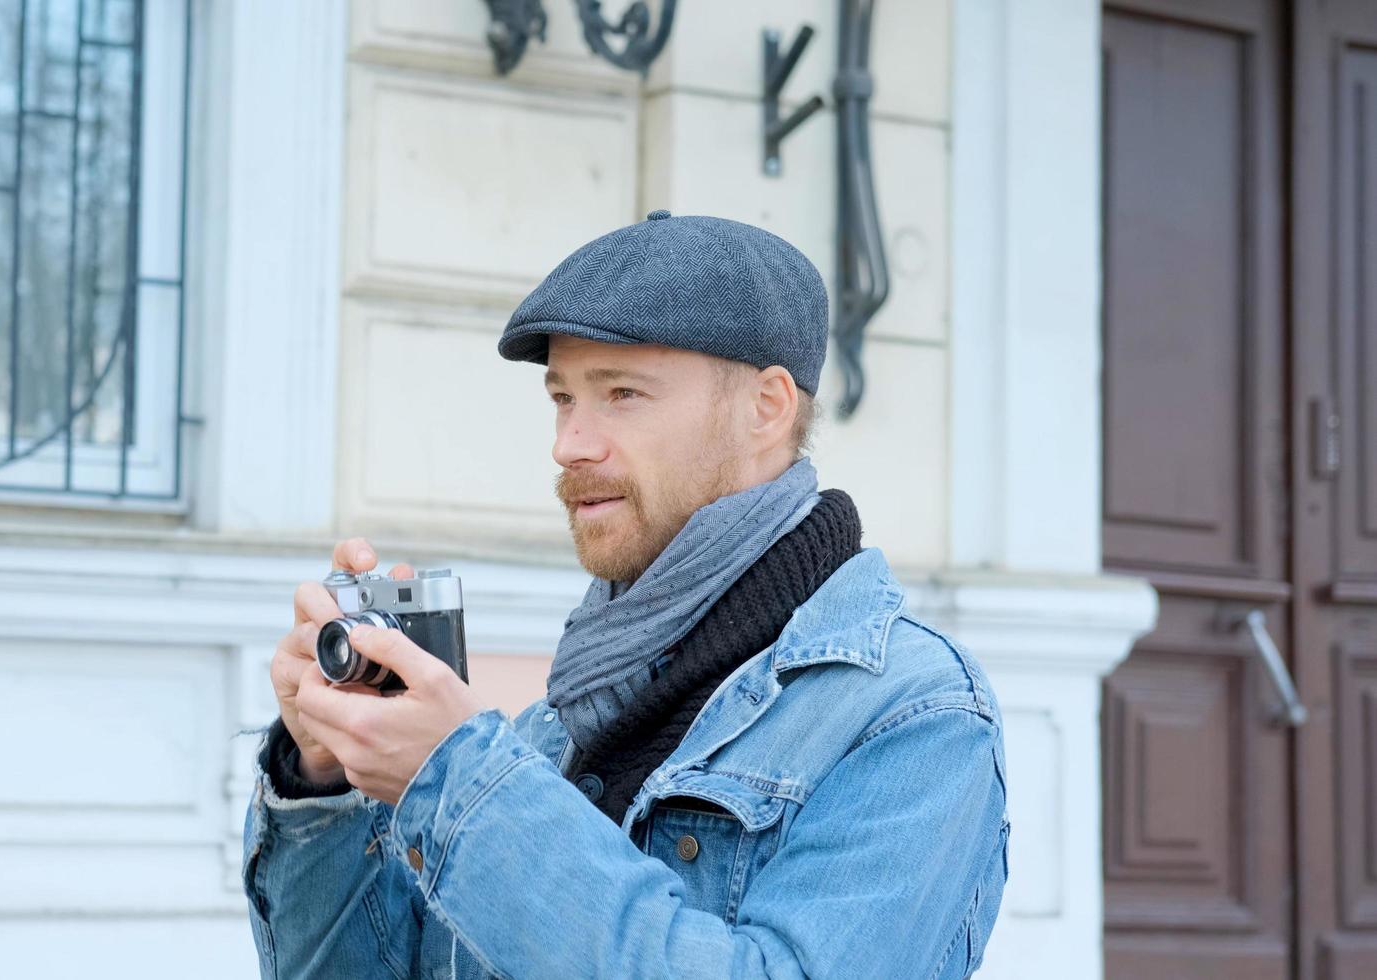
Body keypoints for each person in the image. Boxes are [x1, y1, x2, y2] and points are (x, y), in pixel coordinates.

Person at [240, 211, 1009, 979]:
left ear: (766, 408)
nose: (568, 444)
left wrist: (458, 778)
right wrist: (325, 781)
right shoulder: (552, 727)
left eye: (621, 394)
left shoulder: (916, 713)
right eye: (562, 398)